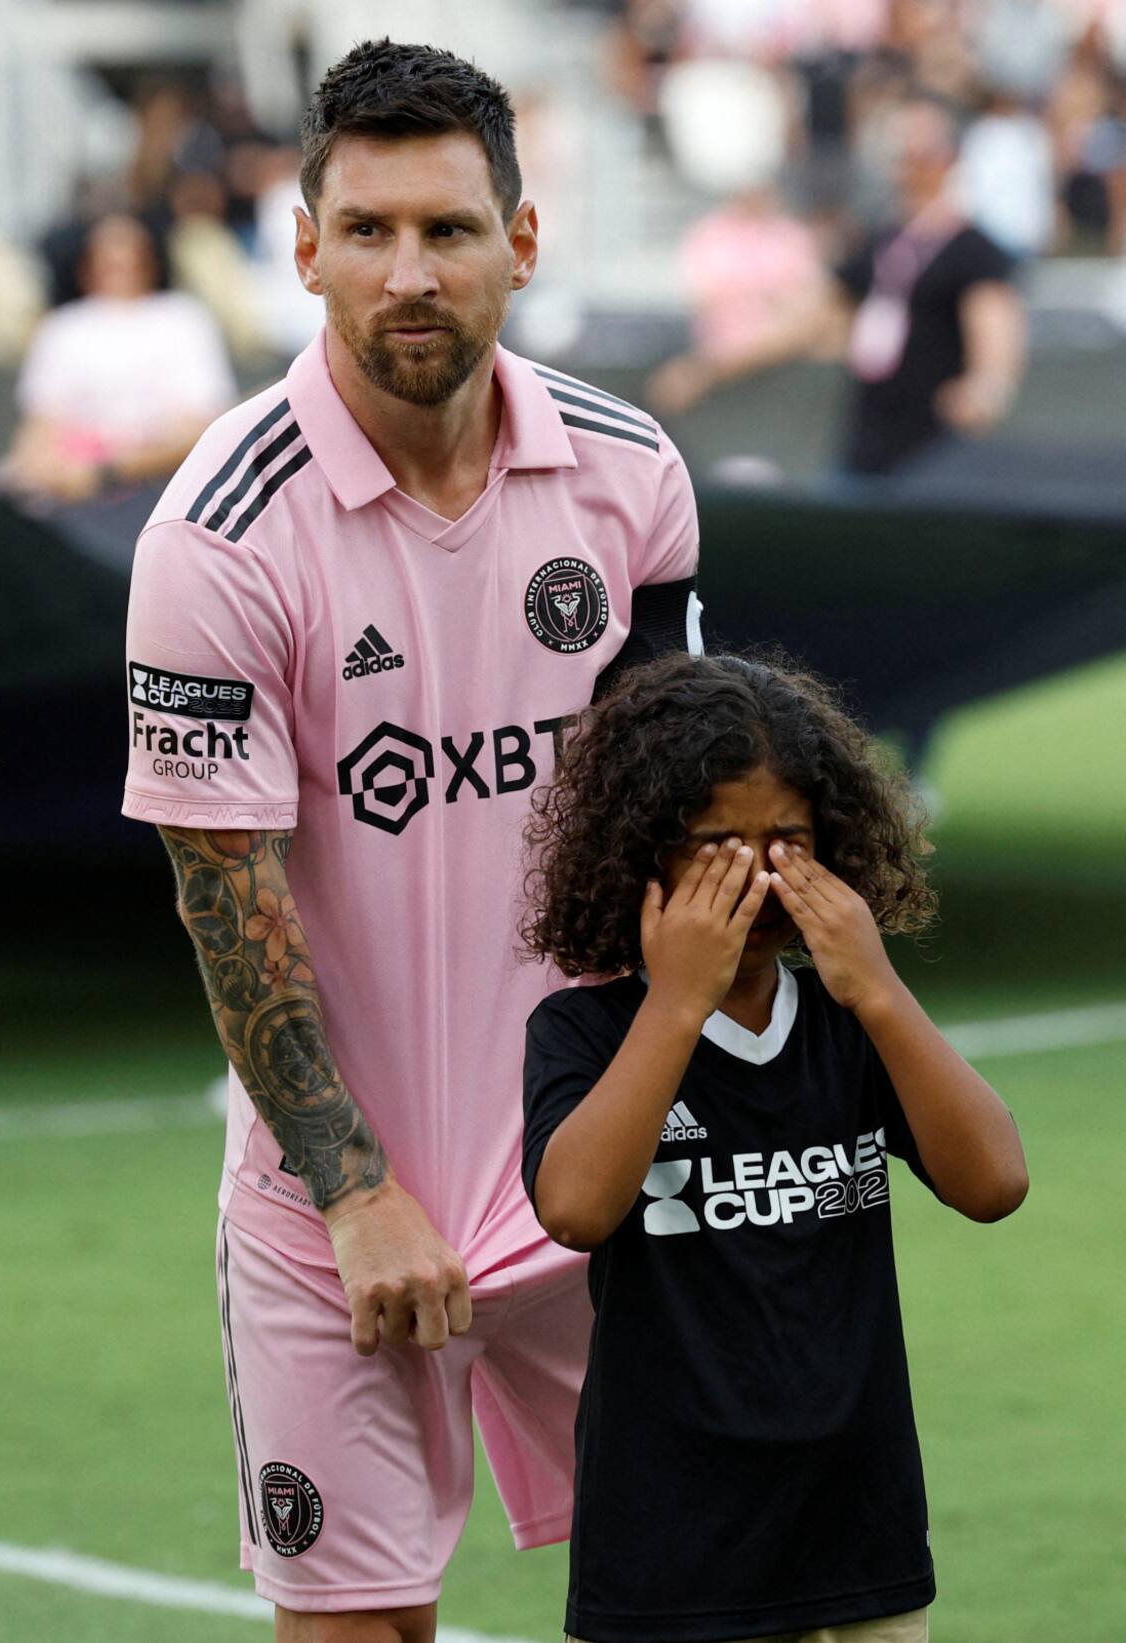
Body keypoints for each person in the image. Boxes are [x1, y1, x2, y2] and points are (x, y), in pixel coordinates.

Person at [121, 38, 701, 1642]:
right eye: (365, 230)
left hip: (604, 1163)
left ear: (523, 241)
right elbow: (219, 897)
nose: (408, 271)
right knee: (360, 1629)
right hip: (335, 1210)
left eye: (449, 229)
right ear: (301, 247)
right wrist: (355, 1189)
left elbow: (678, 832)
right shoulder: (218, 537)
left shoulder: (635, 477)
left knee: (697, 1600)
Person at [520, 651, 1029, 1643]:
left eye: (786, 841)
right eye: (716, 847)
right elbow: (576, 1206)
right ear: (644, 854)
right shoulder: (583, 1032)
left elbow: (994, 1179)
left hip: (861, 1543)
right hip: (673, 1561)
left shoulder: (852, 1023)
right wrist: (677, 997)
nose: (755, 877)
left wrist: (879, 989)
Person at [649, 94, 1027, 478]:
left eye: (919, 147)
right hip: (868, 439)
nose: (905, 159)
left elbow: (994, 332)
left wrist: (985, 389)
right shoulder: (881, 242)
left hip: (936, 451)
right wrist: (708, 368)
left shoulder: (974, 251)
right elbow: (808, 319)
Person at [7, 212, 236, 502]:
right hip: (76, 494)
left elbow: (202, 423)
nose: (120, 268)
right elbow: (41, 424)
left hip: (165, 488)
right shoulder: (61, 328)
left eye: (132, 257)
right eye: (107, 260)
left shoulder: (183, 319)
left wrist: (118, 466)